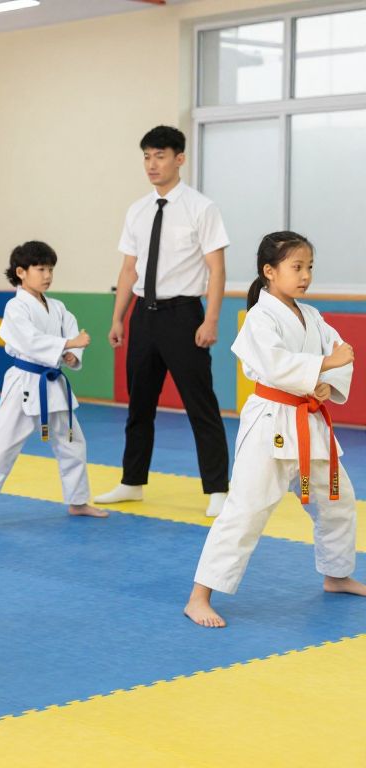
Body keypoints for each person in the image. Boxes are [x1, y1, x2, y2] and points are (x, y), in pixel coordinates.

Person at [184, 231, 360, 628]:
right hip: (272, 422)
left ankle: (336, 573)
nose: (305, 276)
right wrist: (324, 365)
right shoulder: (260, 318)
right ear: (269, 271)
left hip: (309, 419)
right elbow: (277, 365)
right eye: (296, 267)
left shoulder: (311, 316)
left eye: (309, 267)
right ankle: (199, 596)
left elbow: (341, 353)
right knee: (246, 509)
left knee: (338, 500)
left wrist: (326, 382)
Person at [97, 125, 231, 518]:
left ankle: (218, 489)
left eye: (159, 156)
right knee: (139, 405)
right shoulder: (137, 210)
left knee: (200, 405)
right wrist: (118, 318)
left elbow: (217, 269)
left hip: (184, 316)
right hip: (144, 316)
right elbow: (128, 269)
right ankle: (131, 482)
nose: (152, 165)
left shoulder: (201, 208)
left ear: (179, 159)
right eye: (146, 157)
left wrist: (212, 320)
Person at [0, 241, 105, 533]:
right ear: (21, 272)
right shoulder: (15, 307)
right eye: (41, 269)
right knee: (1, 447)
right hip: (24, 384)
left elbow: (72, 332)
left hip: (53, 383)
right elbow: (29, 341)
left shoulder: (58, 307)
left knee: (73, 444)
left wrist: (71, 353)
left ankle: (77, 501)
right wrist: (67, 344)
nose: (48, 274)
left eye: (50, 269)